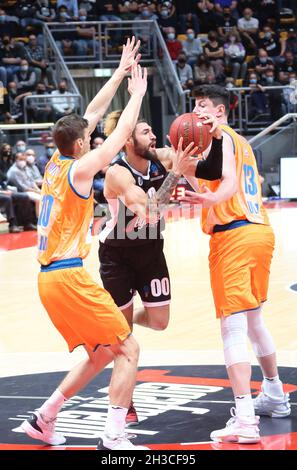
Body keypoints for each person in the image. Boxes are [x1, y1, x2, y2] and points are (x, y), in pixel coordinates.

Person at [20, 38, 152, 451]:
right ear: (80, 145)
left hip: (49, 278)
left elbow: (91, 115)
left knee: (100, 353)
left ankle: (44, 419)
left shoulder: (55, 161)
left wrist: (119, 70)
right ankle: (114, 435)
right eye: (88, 139)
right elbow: (118, 137)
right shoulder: (80, 170)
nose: (92, 139)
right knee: (127, 349)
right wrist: (137, 95)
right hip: (69, 276)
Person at [98, 108, 224, 425]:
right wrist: (177, 173)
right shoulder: (118, 173)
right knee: (124, 342)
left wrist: (216, 137)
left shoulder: (164, 156)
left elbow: (212, 170)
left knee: (159, 321)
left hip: (152, 250)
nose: (153, 135)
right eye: (145, 132)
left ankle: (121, 321)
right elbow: (151, 213)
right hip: (117, 257)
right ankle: (123, 403)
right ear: (127, 140)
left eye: (152, 131)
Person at [181, 84, 290, 444]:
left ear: (220, 111)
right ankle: (274, 394)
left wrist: (211, 195)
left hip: (235, 236)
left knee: (233, 327)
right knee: (254, 318)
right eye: (195, 107)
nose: (197, 113)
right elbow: (226, 179)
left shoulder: (223, 138)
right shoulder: (236, 141)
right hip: (259, 232)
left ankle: (245, 418)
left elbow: (226, 184)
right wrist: (188, 173)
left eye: (202, 107)